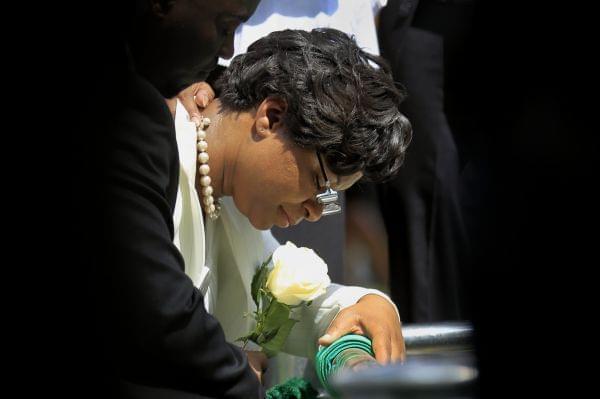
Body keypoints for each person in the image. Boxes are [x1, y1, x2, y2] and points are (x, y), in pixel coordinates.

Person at [69, 1, 279, 398]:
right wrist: (238, 377)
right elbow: (151, 310)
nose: (228, 48)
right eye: (224, 24)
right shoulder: (124, 111)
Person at [170, 28, 411, 373]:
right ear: (272, 117)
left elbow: (289, 301)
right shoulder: (156, 152)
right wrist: (221, 369)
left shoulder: (227, 199)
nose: (315, 213)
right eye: (318, 182)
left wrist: (366, 303)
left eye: (329, 197)